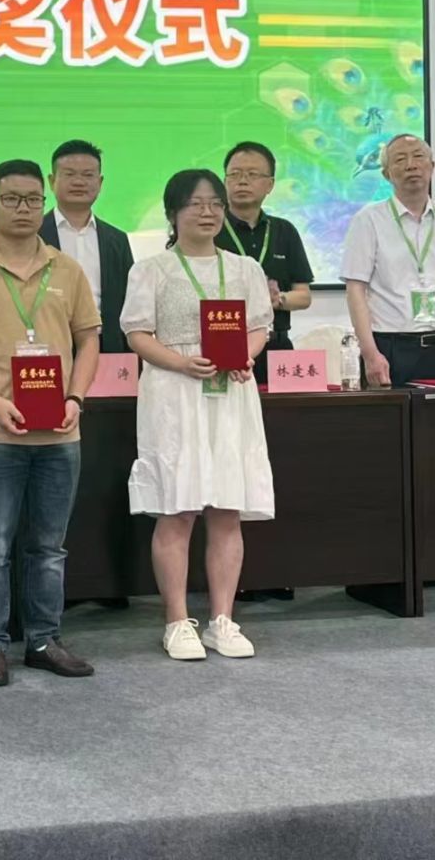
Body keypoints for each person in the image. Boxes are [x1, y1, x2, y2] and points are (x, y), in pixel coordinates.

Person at [0, 159, 101, 688]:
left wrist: (76, 396)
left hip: (60, 430)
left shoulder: (67, 269)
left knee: (49, 546)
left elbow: (89, 340)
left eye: (33, 199)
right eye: (11, 199)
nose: (23, 208)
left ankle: (43, 640)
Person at [122, 169, 274, 661]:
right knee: (179, 507)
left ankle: (222, 620)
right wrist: (181, 362)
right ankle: (176, 621)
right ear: (173, 213)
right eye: (195, 203)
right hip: (174, 392)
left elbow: (259, 326)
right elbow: (137, 334)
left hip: (230, 392)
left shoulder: (244, 268)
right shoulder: (152, 269)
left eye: (215, 203)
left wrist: (246, 354)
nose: (207, 212)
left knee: (227, 508)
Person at [340, 134, 435, 388]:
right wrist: (370, 353)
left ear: (432, 166)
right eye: (400, 159)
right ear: (386, 174)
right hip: (389, 348)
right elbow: (355, 290)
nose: (411, 165)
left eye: (418, 156)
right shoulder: (368, 221)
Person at [221, 141, 314, 384]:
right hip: (224, 345)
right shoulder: (212, 231)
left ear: (270, 184)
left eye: (252, 174)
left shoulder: (284, 231)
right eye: (235, 174)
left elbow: (303, 296)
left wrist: (276, 299)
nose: (242, 181)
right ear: (224, 181)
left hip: (276, 346)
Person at [39, 140, 133, 356]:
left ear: (100, 182)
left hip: (106, 348)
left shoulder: (117, 240)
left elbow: (129, 302)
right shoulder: (35, 235)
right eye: (69, 174)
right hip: (49, 346)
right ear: (52, 181)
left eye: (88, 175)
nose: (79, 182)